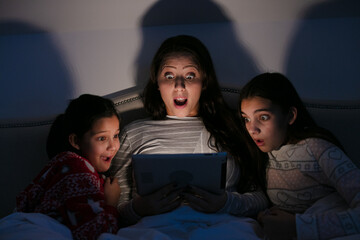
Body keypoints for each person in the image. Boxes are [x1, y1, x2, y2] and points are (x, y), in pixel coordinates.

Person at [108, 35, 268, 226]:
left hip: (221, 228)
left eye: (190, 76)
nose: (179, 86)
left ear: (204, 81)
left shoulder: (232, 127)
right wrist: (139, 208)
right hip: (155, 230)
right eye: (169, 76)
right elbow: (112, 207)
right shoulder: (134, 133)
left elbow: (261, 200)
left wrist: (226, 203)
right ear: (157, 83)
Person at [238, 72, 360, 240]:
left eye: (263, 117)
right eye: (246, 119)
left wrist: (299, 226)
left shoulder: (317, 148)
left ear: (290, 115)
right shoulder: (261, 156)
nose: (252, 129)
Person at [16, 94, 122, 240]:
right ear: (75, 141)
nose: (113, 146)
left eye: (116, 135)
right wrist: (111, 203)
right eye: (102, 138)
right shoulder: (76, 170)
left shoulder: (66, 166)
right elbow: (95, 234)